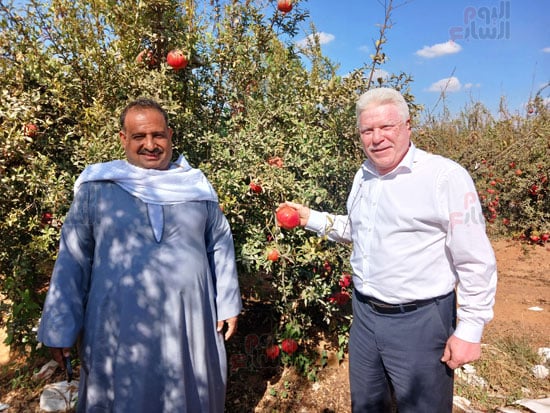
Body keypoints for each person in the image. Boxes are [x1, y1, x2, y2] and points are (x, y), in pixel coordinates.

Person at [278, 88, 497, 412]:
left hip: (420, 321)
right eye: (367, 130)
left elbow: (475, 259)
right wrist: (310, 218)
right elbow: (360, 230)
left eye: (386, 127)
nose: (376, 138)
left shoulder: (443, 177)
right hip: (365, 317)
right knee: (367, 406)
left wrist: (470, 328)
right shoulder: (364, 176)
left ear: (408, 126)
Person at [37, 98, 242, 412]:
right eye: (139, 137)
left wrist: (228, 302)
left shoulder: (195, 187)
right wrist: (60, 326)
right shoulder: (97, 188)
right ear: (123, 139)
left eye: (158, 135)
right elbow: (73, 258)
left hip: (190, 324)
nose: (150, 144)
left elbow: (220, 243)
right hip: (118, 326)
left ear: (170, 135)